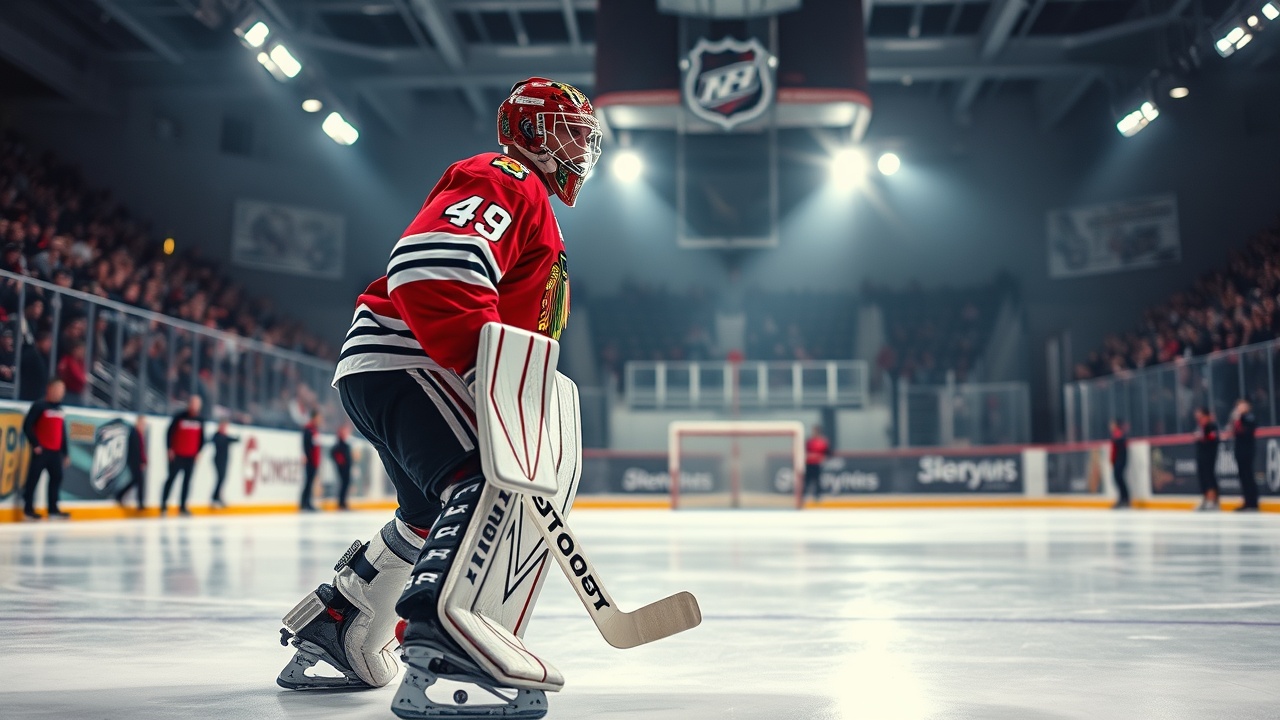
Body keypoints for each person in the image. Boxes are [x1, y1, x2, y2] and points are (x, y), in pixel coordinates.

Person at [276, 78, 601, 716]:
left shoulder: (526, 197)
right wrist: (482, 369)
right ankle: (451, 654)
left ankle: (341, 630)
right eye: (570, 133)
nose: (581, 150)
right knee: (494, 484)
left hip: (395, 366)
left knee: (428, 516)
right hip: (416, 360)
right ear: (530, 131)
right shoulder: (507, 178)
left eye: (586, 139)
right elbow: (432, 266)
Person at [21, 379, 70, 520]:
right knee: (33, 479)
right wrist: (35, 444)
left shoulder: (60, 410)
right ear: (50, 389)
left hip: (55, 452)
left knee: (56, 478)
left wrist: (65, 453)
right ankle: (28, 509)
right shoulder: (39, 406)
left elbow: (62, 433)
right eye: (58, 389)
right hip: (42, 451)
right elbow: (27, 426)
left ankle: (53, 509)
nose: (60, 393)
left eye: (62, 390)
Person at [160, 395, 204, 516]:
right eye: (193, 404)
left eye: (197, 404)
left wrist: (199, 452)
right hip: (177, 455)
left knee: (187, 482)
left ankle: (183, 507)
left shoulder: (200, 420)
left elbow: (202, 438)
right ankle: (163, 506)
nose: (194, 407)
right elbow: (169, 432)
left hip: (191, 456)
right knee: (171, 479)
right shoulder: (179, 417)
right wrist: (169, 448)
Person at [1228, 398, 1259, 512]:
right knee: (1243, 476)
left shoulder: (1249, 417)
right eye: (1238, 406)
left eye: (1241, 405)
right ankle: (1247, 501)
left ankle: (1252, 502)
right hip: (1239, 450)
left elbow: (1244, 431)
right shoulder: (1238, 418)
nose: (1239, 408)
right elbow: (1232, 431)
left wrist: (1237, 419)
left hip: (1247, 450)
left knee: (1248, 475)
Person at [113, 415, 149, 511]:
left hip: (136, 462)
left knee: (136, 481)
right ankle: (139, 503)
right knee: (139, 482)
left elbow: (141, 450)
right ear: (138, 423)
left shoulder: (138, 434)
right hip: (135, 462)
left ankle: (120, 495)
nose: (144, 426)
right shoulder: (134, 433)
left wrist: (144, 460)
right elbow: (136, 451)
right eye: (142, 424)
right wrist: (141, 462)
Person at [1193, 407, 1219, 511]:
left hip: (1209, 455)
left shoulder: (1211, 426)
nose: (1198, 417)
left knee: (1209, 477)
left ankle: (1212, 500)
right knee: (1202, 477)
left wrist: (1202, 437)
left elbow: (1213, 438)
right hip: (1201, 455)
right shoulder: (1200, 426)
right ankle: (1205, 499)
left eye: (1200, 415)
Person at [209, 420, 240, 509]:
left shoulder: (225, 436)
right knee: (220, 478)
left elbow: (236, 440)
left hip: (224, 460)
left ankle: (217, 497)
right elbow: (216, 440)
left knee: (222, 479)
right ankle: (215, 497)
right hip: (218, 460)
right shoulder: (217, 436)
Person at [18, 328, 52, 401]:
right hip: (29, 395)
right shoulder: (31, 355)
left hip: (38, 395)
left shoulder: (44, 356)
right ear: (39, 342)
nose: (49, 345)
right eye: (47, 342)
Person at [803, 424, 830, 505]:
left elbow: (827, 453)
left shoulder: (823, 442)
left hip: (817, 464)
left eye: (814, 431)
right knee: (807, 480)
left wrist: (822, 458)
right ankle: (804, 496)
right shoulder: (809, 441)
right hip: (809, 463)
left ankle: (817, 496)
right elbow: (805, 450)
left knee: (817, 480)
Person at [300, 410, 320, 512]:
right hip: (310, 460)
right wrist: (307, 457)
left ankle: (307, 502)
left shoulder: (314, 430)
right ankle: (304, 503)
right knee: (308, 482)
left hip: (314, 461)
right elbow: (306, 445)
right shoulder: (308, 429)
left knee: (310, 482)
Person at [1109, 419, 1130, 509]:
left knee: (1119, 479)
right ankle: (1123, 499)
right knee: (1118, 479)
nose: (1110, 426)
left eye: (1112, 424)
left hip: (1120, 461)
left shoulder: (1118, 433)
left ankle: (1124, 499)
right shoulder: (1116, 434)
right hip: (1118, 461)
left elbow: (1121, 442)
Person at [331, 424, 353, 510]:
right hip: (343, 468)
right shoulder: (339, 445)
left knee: (345, 484)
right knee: (344, 484)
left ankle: (343, 502)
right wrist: (340, 461)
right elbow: (333, 453)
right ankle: (341, 503)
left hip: (346, 467)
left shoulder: (345, 444)